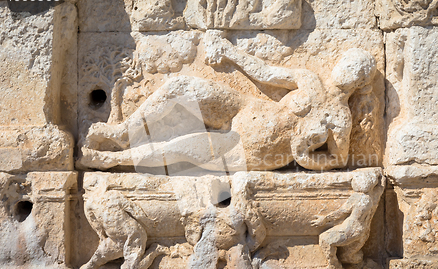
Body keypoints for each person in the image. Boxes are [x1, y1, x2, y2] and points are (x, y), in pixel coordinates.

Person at [79, 31, 376, 172]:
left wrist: (303, 155)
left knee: (180, 148)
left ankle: (113, 160)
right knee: (184, 86)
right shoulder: (310, 79)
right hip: (247, 108)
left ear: (359, 82)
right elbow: (265, 73)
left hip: (258, 151)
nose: (345, 69)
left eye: (355, 69)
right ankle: (121, 133)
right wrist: (229, 52)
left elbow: (337, 159)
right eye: (347, 62)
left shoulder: (340, 118)